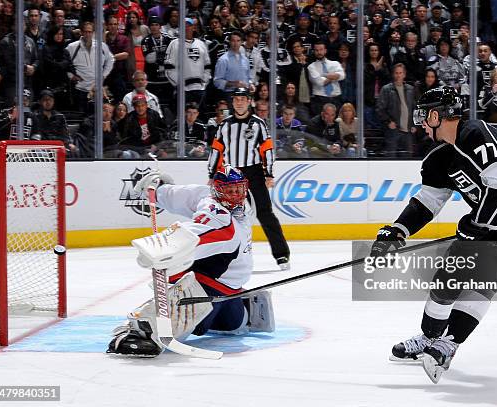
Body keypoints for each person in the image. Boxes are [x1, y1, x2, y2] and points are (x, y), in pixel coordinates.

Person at [371, 86, 497, 383]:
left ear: (437, 114)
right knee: (448, 274)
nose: (422, 123)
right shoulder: (440, 158)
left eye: (424, 116)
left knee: (483, 275)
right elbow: (427, 202)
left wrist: (477, 226)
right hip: (488, 223)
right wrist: (396, 231)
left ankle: (449, 344)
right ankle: (429, 338)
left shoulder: (477, 133)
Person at [107, 165, 275, 357]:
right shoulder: (219, 218)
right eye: (229, 190)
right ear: (218, 191)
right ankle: (139, 331)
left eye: (239, 189)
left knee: (236, 324)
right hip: (205, 290)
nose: (236, 195)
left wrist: (159, 189)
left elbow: (181, 196)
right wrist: (165, 247)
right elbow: (194, 235)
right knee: (188, 325)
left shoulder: (220, 198)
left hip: (231, 292)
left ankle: (235, 309)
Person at [208, 88, 290, 269]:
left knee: (265, 213)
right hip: (231, 175)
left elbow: (267, 150)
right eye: (236, 99)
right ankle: (225, 257)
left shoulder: (258, 124)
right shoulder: (225, 125)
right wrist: (212, 174)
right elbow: (216, 150)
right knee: (226, 215)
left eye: (242, 99)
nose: (239, 102)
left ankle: (282, 255)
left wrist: (268, 173)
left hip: (254, 173)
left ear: (249, 101)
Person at [66, 21, 114, 112]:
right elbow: (64, 63)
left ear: (93, 32)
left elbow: (111, 60)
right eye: (85, 31)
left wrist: (103, 75)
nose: (87, 34)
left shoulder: (101, 46)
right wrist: (71, 76)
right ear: (81, 32)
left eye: (90, 32)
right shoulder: (72, 47)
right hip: (79, 89)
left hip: (97, 90)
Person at [164, 18, 211, 107]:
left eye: (189, 25)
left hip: (200, 89)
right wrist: (179, 84)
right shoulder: (174, 44)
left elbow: (207, 65)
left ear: (193, 28)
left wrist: (204, 82)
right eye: (183, 26)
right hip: (183, 91)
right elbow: (169, 67)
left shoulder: (201, 44)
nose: (186, 28)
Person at [375, 63, 415, 157]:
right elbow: (380, 109)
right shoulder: (386, 89)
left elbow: (415, 108)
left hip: (408, 131)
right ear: (393, 74)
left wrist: (414, 124)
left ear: (404, 74)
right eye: (396, 73)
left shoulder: (411, 89)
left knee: (408, 160)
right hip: (393, 131)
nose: (398, 75)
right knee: (391, 158)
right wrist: (388, 121)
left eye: (400, 73)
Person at [308, 41, 345, 115]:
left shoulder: (335, 63)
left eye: (321, 49)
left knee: (336, 122)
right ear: (314, 51)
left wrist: (324, 75)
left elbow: (342, 76)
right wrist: (334, 76)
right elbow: (320, 82)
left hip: (336, 97)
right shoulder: (311, 67)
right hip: (319, 99)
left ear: (325, 50)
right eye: (316, 50)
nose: (319, 52)